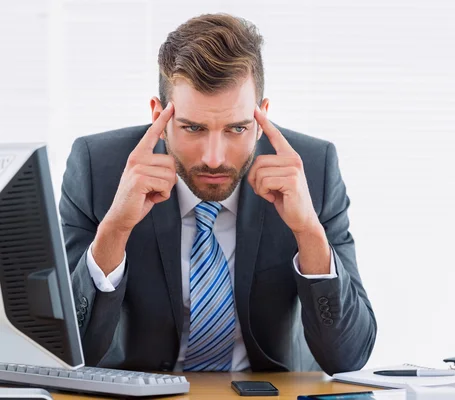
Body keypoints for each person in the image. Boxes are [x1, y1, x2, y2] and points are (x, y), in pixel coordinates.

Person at [60, 13, 376, 375]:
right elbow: (67, 354)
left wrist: (308, 233)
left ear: (262, 118)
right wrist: (114, 230)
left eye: (236, 128)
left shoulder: (312, 170)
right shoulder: (97, 170)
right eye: (193, 127)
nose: (214, 157)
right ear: (158, 117)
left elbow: (349, 357)